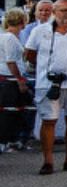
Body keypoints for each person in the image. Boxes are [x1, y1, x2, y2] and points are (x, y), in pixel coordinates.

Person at [24, 0, 67, 175]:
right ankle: (48, 161)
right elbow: (30, 55)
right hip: (47, 83)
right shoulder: (40, 31)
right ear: (54, 12)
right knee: (49, 121)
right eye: (64, 10)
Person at [0, 9, 27, 152]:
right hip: (9, 79)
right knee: (8, 112)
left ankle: (10, 140)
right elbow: (11, 61)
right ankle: (5, 141)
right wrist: (20, 80)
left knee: (12, 111)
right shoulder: (10, 38)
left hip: (6, 78)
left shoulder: (5, 36)